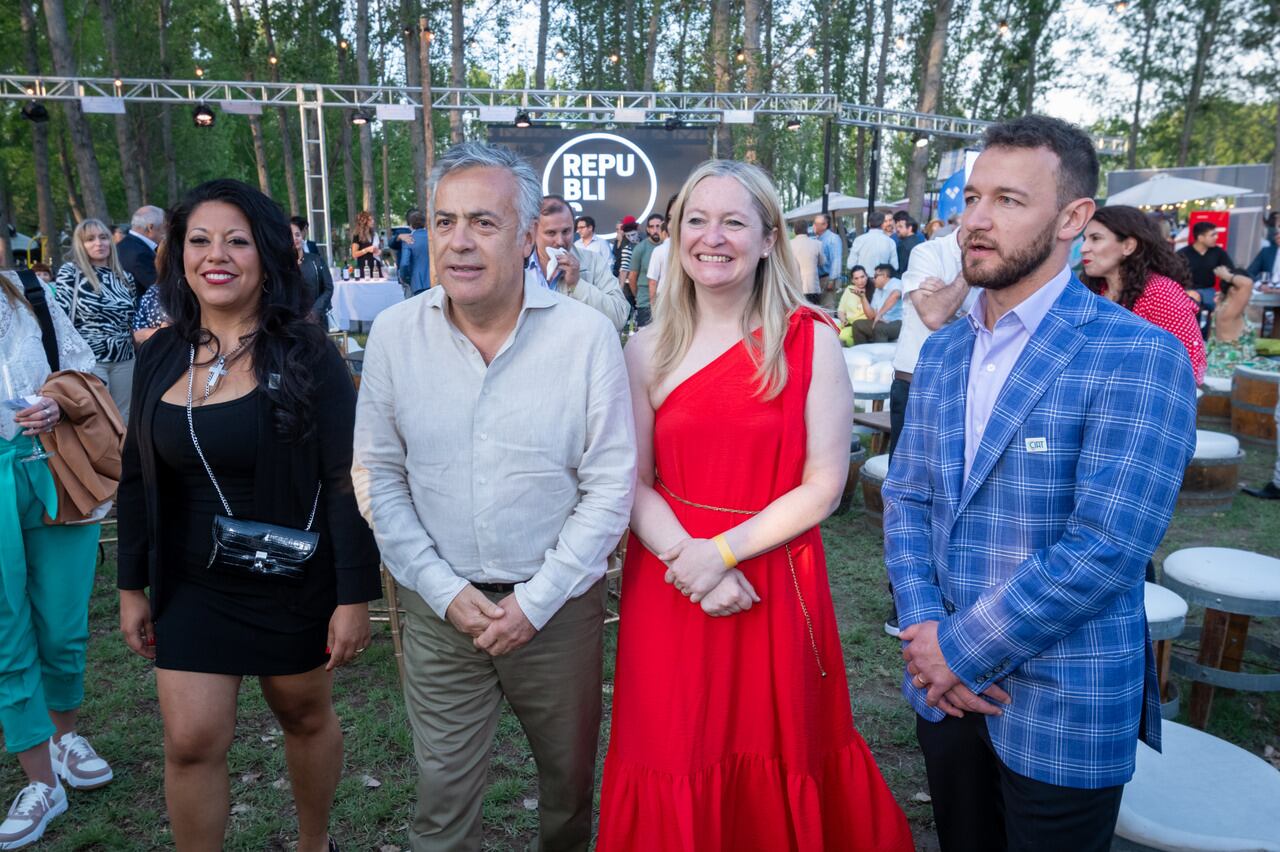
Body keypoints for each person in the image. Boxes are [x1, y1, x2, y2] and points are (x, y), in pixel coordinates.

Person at [885, 115, 1197, 852]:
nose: (978, 221)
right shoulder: (944, 351)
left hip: (1064, 702)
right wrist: (926, 632)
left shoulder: (1136, 354)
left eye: (1010, 201)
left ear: (1073, 218)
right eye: (972, 198)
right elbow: (907, 500)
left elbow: (1106, 548)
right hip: (943, 694)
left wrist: (954, 651)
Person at [596, 159, 913, 852]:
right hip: (671, 577)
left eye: (734, 221)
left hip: (771, 574)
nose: (714, 237)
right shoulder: (645, 349)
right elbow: (631, 480)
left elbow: (825, 485)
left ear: (769, 238)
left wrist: (720, 555)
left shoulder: (811, 340)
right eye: (697, 221)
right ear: (675, 236)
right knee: (674, 749)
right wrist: (690, 561)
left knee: (779, 748)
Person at [351, 142, 635, 852]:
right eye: (443, 222)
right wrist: (443, 589)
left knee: (567, 793)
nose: (459, 242)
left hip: (557, 612)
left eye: (482, 221)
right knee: (441, 803)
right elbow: (377, 476)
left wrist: (535, 603)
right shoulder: (394, 334)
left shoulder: (586, 337)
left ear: (527, 232)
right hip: (440, 610)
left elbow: (610, 487)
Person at [116, 179, 382, 852]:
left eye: (236, 240)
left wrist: (354, 597)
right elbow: (137, 474)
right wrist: (128, 587)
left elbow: (344, 480)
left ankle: (314, 844)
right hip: (190, 581)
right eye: (199, 240)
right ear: (178, 256)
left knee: (302, 714)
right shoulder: (159, 354)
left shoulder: (310, 353)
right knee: (189, 741)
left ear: (266, 254)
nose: (217, 255)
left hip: (291, 574)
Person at [0, 270, 113, 851]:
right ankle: (41, 783)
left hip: (54, 468)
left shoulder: (29, 292)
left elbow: (85, 370)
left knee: (64, 625)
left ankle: (65, 736)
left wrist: (54, 403)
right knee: (5, 632)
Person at [1080, 205, 1206, 384]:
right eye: (1085, 239)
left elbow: (1189, 364)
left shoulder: (1161, 292)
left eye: (1095, 239)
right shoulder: (1091, 291)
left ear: (1128, 246)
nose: (1084, 248)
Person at [53, 219, 137, 426]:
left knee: (124, 418)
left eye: (103, 237)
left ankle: (122, 459)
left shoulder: (125, 278)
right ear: (80, 245)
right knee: (97, 419)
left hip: (125, 357)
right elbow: (60, 319)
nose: (98, 243)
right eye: (90, 239)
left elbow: (130, 320)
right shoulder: (70, 273)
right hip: (89, 358)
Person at [526, 195, 630, 331]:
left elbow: (619, 316)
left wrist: (577, 284)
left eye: (566, 231)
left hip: (579, 351)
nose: (560, 241)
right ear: (533, 231)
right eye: (551, 233)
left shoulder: (594, 262)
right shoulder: (518, 265)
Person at [1177, 220, 1250, 336]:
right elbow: (1174, 276)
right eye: (1212, 235)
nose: (1216, 237)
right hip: (1188, 291)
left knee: (1221, 310)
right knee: (1190, 308)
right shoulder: (1183, 253)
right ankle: (1192, 336)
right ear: (1200, 237)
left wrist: (1223, 292)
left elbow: (1230, 271)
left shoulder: (1218, 252)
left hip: (1209, 290)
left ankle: (1210, 336)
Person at [116, 206, 166, 300]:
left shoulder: (121, 246)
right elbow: (160, 290)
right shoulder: (141, 254)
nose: (165, 232)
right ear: (151, 227)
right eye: (163, 227)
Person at [292, 218, 335, 320]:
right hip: (291, 321)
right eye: (291, 236)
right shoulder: (280, 265)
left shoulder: (316, 260)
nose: (295, 238)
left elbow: (328, 288)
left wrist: (315, 311)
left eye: (297, 235)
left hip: (316, 319)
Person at [627, 214, 665, 327]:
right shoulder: (640, 248)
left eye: (658, 226)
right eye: (652, 227)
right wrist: (639, 296)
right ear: (647, 229)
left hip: (667, 302)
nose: (655, 230)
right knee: (646, 341)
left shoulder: (671, 246)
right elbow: (632, 277)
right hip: (645, 302)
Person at [851, 263, 904, 343]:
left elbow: (895, 295)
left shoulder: (895, 282)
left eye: (875, 276)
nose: (873, 279)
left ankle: (881, 354)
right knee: (857, 324)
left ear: (885, 275)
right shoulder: (878, 290)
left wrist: (879, 314)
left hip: (899, 322)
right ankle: (863, 353)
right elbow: (871, 316)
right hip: (883, 322)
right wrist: (863, 297)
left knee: (880, 328)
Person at [398, 210, 432, 296]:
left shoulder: (408, 239)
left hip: (418, 283)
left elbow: (404, 264)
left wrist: (406, 279)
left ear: (410, 225)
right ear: (424, 223)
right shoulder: (433, 237)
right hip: (436, 281)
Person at [790, 220, 823, 305]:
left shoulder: (789, 245)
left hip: (795, 287)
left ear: (794, 230)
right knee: (814, 314)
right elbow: (822, 263)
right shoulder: (817, 244)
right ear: (807, 229)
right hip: (812, 286)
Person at [813, 212, 842, 308]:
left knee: (828, 306)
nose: (814, 226)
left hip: (827, 278)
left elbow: (836, 260)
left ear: (825, 225)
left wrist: (832, 280)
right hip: (818, 279)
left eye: (816, 224)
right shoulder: (817, 239)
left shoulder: (832, 238)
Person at [836, 265, 872, 345]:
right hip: (847, 323)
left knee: (843, 336)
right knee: (830, 330)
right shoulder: (849, 289)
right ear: (852, 280)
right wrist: (843, 320)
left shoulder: (872, 290)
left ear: (866, 276)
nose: (860, 281)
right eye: (856, 278)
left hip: (860, 325)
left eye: (862, 277)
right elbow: (841, 310)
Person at [349, 211, 381, 278]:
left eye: (373, 219)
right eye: (370, 220)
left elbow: (377, 251)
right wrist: (366, 250)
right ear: (364, 221)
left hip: (376, 267)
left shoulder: (374, 235)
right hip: (365, 269)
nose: (373, 221)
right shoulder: (357, 235)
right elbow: (354, 254)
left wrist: (379, 251)